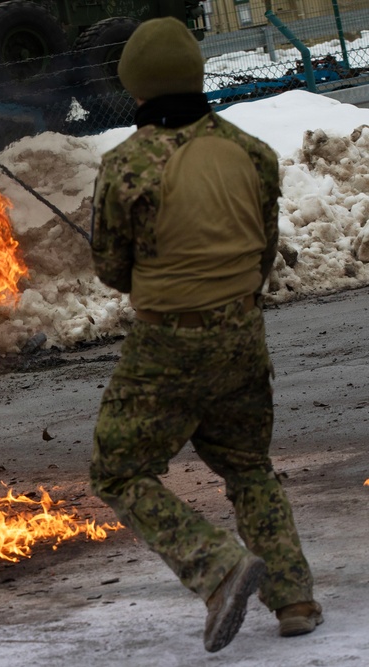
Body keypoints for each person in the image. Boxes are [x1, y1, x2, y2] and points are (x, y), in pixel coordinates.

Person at [88, 17, 321, 653]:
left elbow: (112, 269)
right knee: (248, 466)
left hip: (166, 344)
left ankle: (215, 566)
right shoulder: (253, 152)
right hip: (243, 333)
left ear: (136, 88)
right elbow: (265, 250)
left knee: (119, 470)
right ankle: (294, 598)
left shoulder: (126, 165)